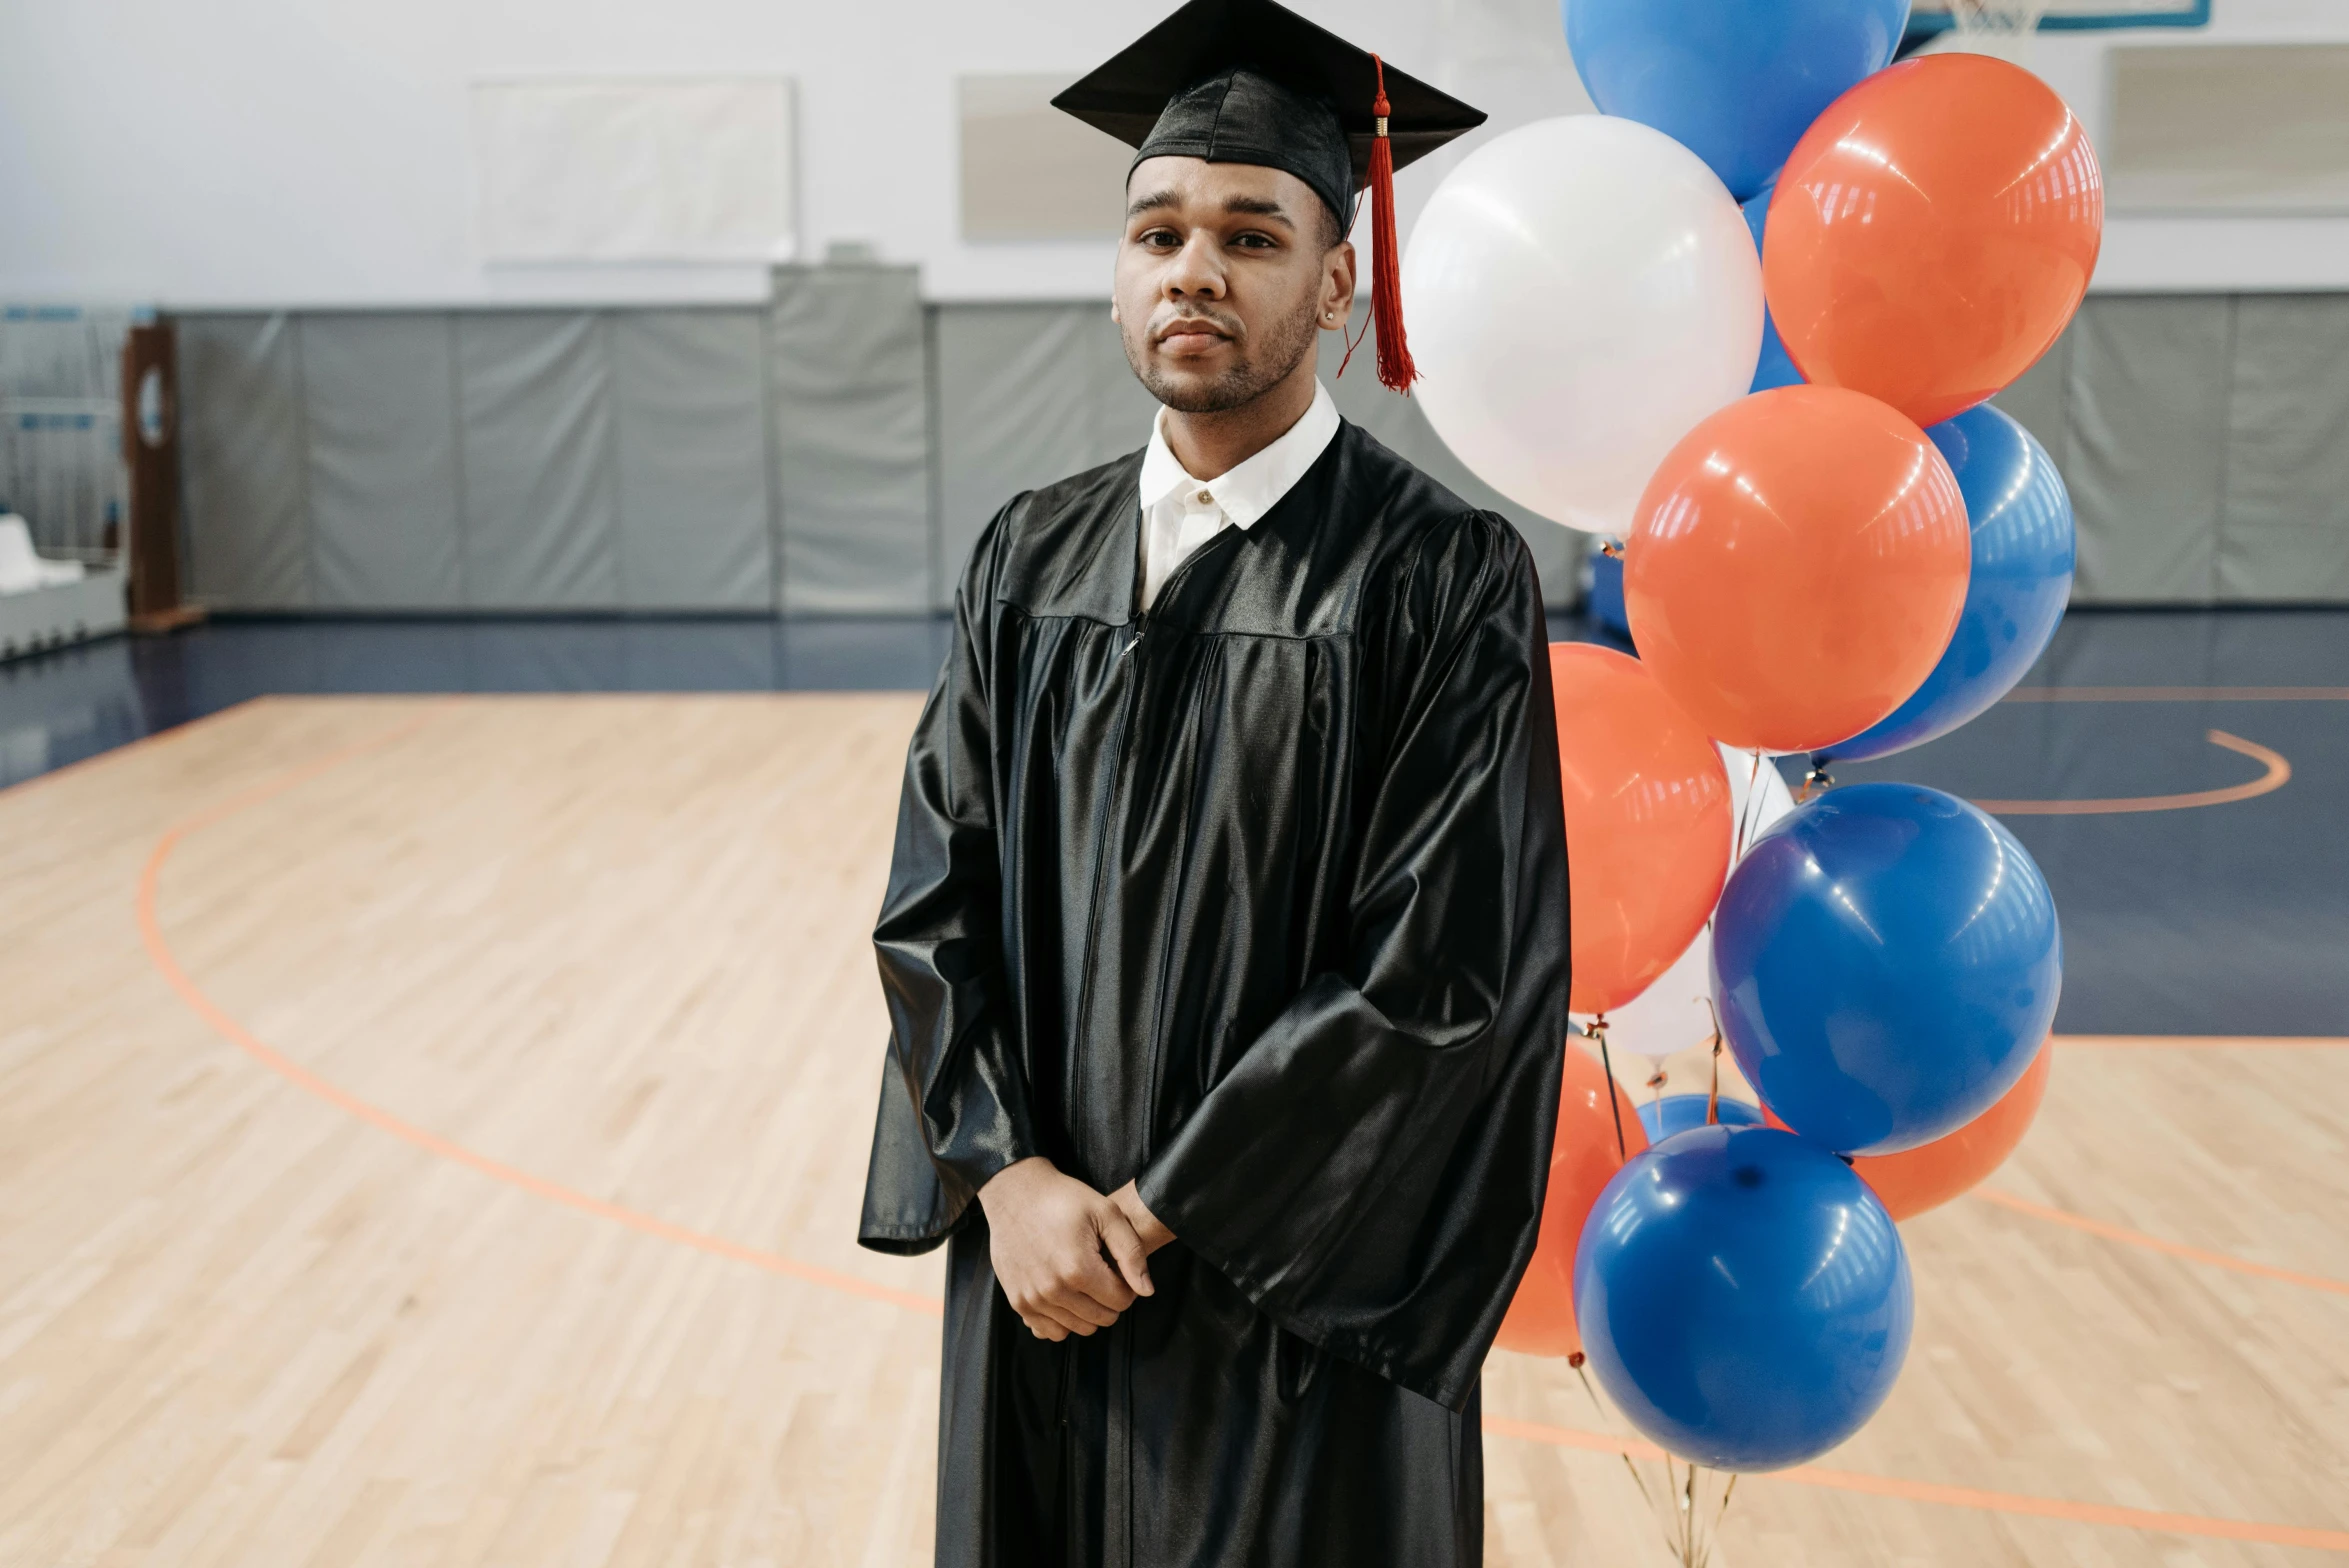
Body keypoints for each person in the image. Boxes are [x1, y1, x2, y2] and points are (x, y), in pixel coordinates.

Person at [857, 2, 1573, 1562]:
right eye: (1158, 230)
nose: (1195, 267)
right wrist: (1005, 1177)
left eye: (1253, 234)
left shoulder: (1437, 579)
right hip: (1039, 1273)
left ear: (1337, 286)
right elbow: (933, 902)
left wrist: (1157, 1213)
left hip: (1288, 1295)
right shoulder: (1029, 557)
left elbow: (1440, 977)